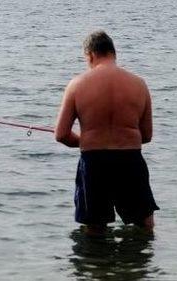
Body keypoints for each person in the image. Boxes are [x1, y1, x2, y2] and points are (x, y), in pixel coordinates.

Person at [55, 31, 158, 233]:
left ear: (90, 55)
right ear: (113, 53)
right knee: (144, 224)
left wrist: (87, 139)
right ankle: (139, 263)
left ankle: (97, 263)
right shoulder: (139, 84)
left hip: (94, 163)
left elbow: (61, 135)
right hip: (130, 161)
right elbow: (146, 136)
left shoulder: (77, 85)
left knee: (94, 227)